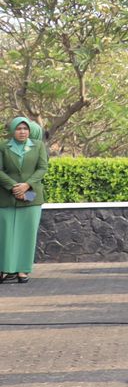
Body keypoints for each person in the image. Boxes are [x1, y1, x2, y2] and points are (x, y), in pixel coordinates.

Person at [0, 116, 49, 284]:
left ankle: (22, 270)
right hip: (7, 196)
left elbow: (42, 168)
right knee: (6, 234)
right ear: (13, 131)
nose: (22, 132)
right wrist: (14, 186)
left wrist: (26, 185)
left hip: (31, 195)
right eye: (19, 129)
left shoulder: (38, 146)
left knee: (27, 234)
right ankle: (6, 269)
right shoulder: (3, 146)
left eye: (25, 129)